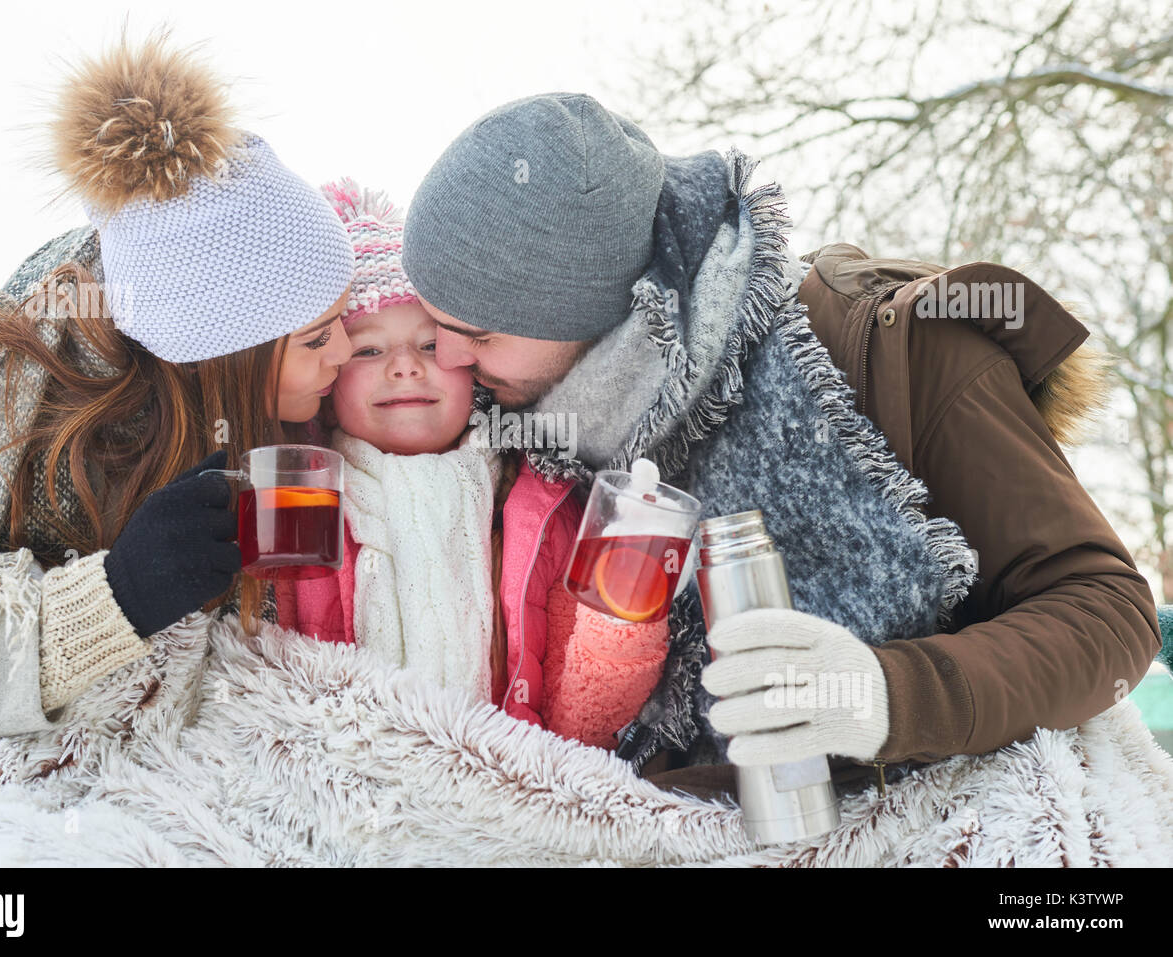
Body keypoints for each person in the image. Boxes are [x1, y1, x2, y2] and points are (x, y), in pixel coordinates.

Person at [399, 92, 1163, 794]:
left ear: (588, 308)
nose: (448, 359)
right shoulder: (527, 430)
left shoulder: (889, 351)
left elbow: (1109, 611)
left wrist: (884, 693)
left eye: (476, 333)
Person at [0, 34, 355, 769]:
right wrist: (112, 600)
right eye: (318, 338)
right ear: (218, 352)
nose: (349, 355)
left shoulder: (313, 419)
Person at [278, 178, 670, 749]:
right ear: (330, 372)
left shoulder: (538, 505)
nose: (406, 366)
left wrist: (626, 610)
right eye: (368, 349)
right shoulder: (294, 499)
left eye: (432, 345)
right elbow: (258, 662)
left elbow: (584, 718)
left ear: (470, 363)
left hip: (506, 804)